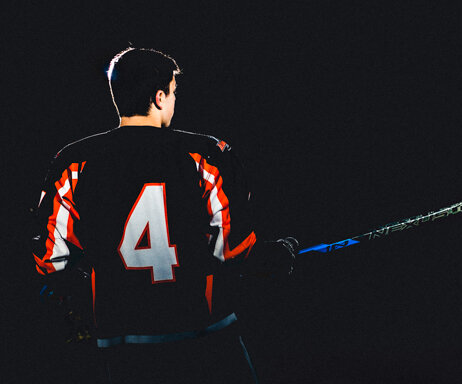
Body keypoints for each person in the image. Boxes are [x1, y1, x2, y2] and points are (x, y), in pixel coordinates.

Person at [31, 47, 298, 384]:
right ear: (159, 97)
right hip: (207, 335)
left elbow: (50, 261)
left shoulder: (72, 161)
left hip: (124, 346)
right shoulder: (206, 155)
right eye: (173, 92)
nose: (173, 101)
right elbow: (233, 250)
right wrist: (276, 253)